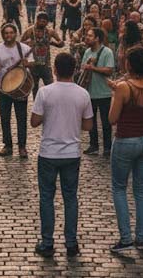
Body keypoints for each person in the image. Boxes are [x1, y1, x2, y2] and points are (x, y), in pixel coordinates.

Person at [30, 52, 92, 258]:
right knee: (70, 198)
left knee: (47, 198)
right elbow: (88, 125)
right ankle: (71, 243)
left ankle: (47, 242)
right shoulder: (83, 94)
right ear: (74, 70)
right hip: (71, 152)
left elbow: (34, 121)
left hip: (49, 152)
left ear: (55, 70)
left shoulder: (45, 92)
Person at [108, 47, 143, 253]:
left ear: (130, 64)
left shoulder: (123, 87)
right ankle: (142, 237)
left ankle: (125, 238)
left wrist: (115, 95)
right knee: (140, 189)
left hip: (125, 140)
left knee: (119, 188)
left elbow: (112, 119)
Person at [0, 23, 33, 158]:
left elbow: (32, 63)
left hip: (19, 88)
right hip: (3, 89)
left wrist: (27, 64)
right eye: (6, 33)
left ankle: (22, 146)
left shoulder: (24, 48)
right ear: (3, 35)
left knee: (21, 118)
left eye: (11, 33)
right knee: (5, 118)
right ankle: (7, 145)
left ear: (15, 34)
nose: (9, 35)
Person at [81, 27, 115, 157]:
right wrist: (87, 67)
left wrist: (93, 68)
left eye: (90, 36)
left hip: (104, 92)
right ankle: (93, 145)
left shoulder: (107, 52)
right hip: (90, 92)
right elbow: (83, 67)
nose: (87, 38)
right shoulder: (87, 52)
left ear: (97, 38)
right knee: (91, 121)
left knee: (106, 122)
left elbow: (109, 70)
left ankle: (107, 147)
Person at [22, 12, 64, 99]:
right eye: (40, 21)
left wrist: (52, 43)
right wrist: (28, 43)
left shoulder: (50, 32)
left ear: (47, 22)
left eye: (44, 21)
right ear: (36, 20)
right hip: (33, 65)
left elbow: (61, 43)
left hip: (46, 65)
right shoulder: (30, 31)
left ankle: (51, 104)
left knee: (50, 87)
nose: (42, 23)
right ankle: (37, 106)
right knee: (34, 89)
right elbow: (20, 43)